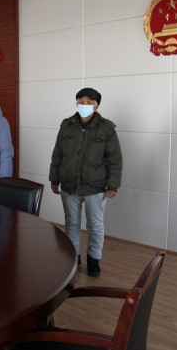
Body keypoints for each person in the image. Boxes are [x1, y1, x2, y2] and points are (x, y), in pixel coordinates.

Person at [49, 87, 123, 277]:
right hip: (69, 186)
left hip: (95, 187)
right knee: (71, 224)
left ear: (96, 106)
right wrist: (54, 179)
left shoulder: (106, 128)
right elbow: (57, 155)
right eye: (81, 102)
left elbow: (115, 159)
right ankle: (75, 259)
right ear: (76, 103)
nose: (84, 105)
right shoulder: (67, 125)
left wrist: (113, 185)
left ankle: (94, 260)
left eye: (89, 103)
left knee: (95, 226)